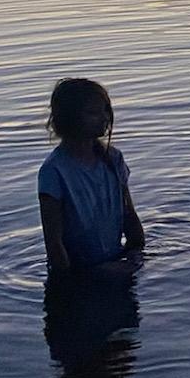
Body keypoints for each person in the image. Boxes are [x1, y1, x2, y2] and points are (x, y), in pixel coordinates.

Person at [38, 77, 145, 279]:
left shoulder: (113, 159)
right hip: (78, 276)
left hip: (117, 266)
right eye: (93, 113)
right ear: (70, 118)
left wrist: (136, 256)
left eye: (105, 110)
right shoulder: (53, 172)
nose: (104, 117)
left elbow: (129, 215)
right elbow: (54, 243)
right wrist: (77, 280)